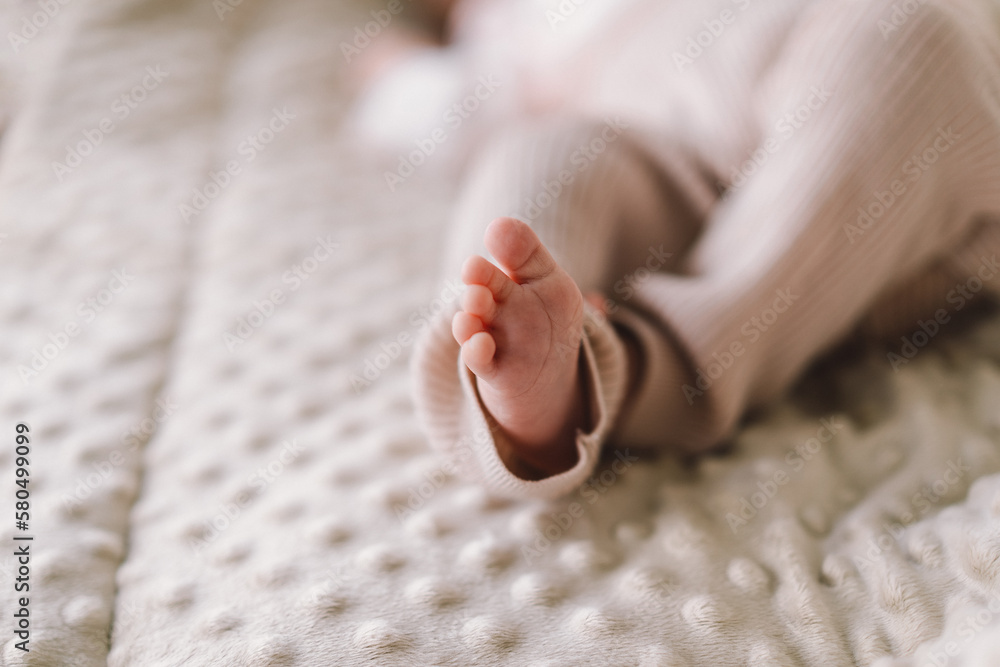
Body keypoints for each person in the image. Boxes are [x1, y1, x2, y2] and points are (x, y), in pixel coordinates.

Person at [356, 0, 1000, 499]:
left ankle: (658, 363)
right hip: (666, 164)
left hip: (853, 112)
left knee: (912, 39)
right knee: (534, 168)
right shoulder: (505, 34)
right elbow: (438, 116)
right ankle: (533, 377)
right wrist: (397, 68)